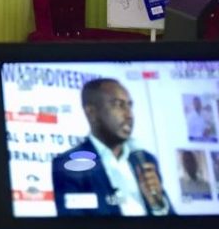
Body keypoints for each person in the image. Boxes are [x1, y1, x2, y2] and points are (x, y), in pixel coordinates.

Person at [52, 79, 173, 216]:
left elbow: (175, 228)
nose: (129, 115)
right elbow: (73, 228)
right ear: (92, 113)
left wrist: (158, 205)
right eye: (118, 105)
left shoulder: (145, 159)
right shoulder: (69, 165)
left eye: (129, 105)